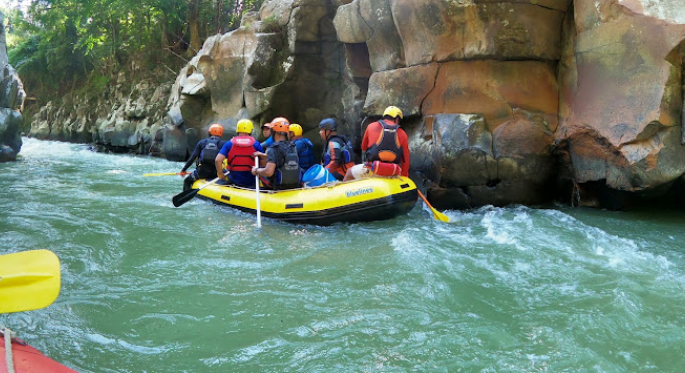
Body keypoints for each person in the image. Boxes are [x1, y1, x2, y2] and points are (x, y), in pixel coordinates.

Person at [344, 106, 410, 181]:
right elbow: (405, 161)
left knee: (349, 173)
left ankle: (341, 192)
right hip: (392, 172)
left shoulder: (371, 126)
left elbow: (363, 147)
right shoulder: (402, 133)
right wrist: (404, 178)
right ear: (397, 119)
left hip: (373, 169)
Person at [251, 117, 301, 190]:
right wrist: (264, 155)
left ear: (273, 131)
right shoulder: (292, 146)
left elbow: (268, 172)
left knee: (261, 169)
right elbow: (281, 159)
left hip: (278, 187)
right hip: (294, 186)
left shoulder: (272, 149)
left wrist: (256, 170)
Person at [214, 119, 264, 188]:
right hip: (251, 180)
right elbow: (263, 164)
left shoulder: (229, 143)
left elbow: (218, 160)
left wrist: (220, 174)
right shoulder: (256, 144)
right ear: (250, 130)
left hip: (234, 180)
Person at [181, 123, 227, 190]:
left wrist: (183, 170)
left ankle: (186, 196)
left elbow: (192, 158)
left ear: (209, 133)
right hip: (216, 172)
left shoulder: (202, 142)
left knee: (187, 181)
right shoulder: (224, 144)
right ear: (221, 133)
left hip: (202, 172)